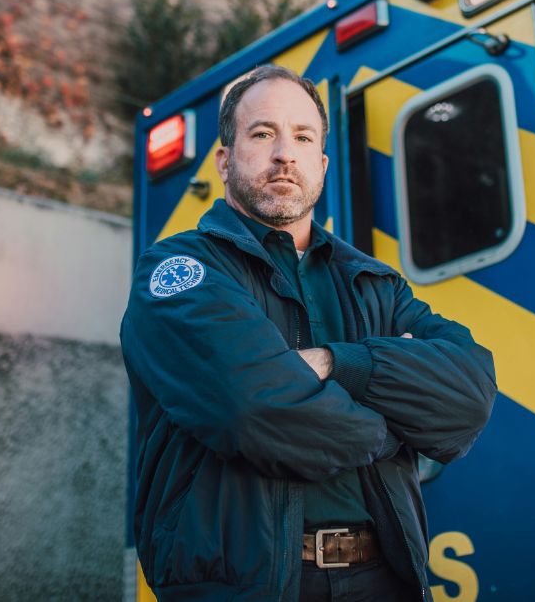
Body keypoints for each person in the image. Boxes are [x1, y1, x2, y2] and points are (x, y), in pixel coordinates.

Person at [120, 64, 496, 601]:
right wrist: (393, 430)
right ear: (225, 161)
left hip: (382, 578)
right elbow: (252, 411)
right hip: (248, 586)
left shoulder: (373, 283)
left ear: (321, 163)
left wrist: (337, 363)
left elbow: (469, 397)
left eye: (301, 137)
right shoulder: (180, 270)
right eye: (263, 133)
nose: (283, 154)